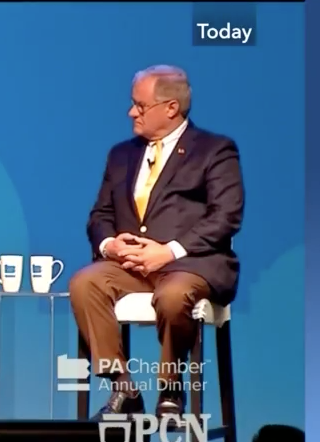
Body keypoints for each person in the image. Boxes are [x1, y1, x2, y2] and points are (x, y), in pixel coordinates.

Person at [69, 65, 244, 419]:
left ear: (170, 108)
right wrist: (111, 246)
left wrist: (168, 251)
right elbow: (99, 215)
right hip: (132, 266)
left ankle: (171, 387)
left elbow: (226, 215)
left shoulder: (215, 150)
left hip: (189, 264)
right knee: (85, 283)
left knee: (174, 296)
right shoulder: (121, 154)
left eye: (140, 106)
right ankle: (123, 386)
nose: (131, 113)